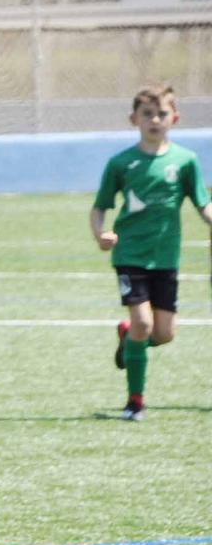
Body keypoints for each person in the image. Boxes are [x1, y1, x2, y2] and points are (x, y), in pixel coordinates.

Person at [91, 82, 212, 421]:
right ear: (134, 119)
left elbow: (203, 204)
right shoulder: (121, 163)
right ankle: (135, 402)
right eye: (147, 114)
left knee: (164, 334)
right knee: (143, 322)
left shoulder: (186, 161)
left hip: (166, 258)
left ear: (175, 117)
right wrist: (101, 233)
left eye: (161, 114)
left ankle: (129, 339)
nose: (155, 120)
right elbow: (100, 207)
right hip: (130, 255)